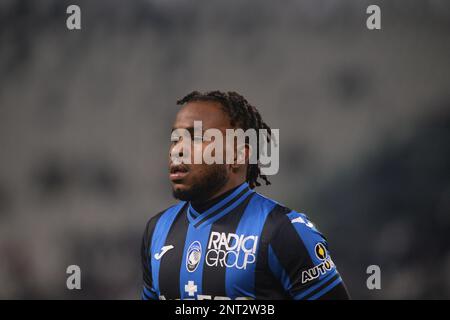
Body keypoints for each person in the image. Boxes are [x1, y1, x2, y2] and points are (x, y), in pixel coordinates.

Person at [141, 90, 350, 300]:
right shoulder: (158, 229)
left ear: (238, 154)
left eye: (196, 137)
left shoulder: (284, 232)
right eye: (175, 139)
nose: (177, 150)